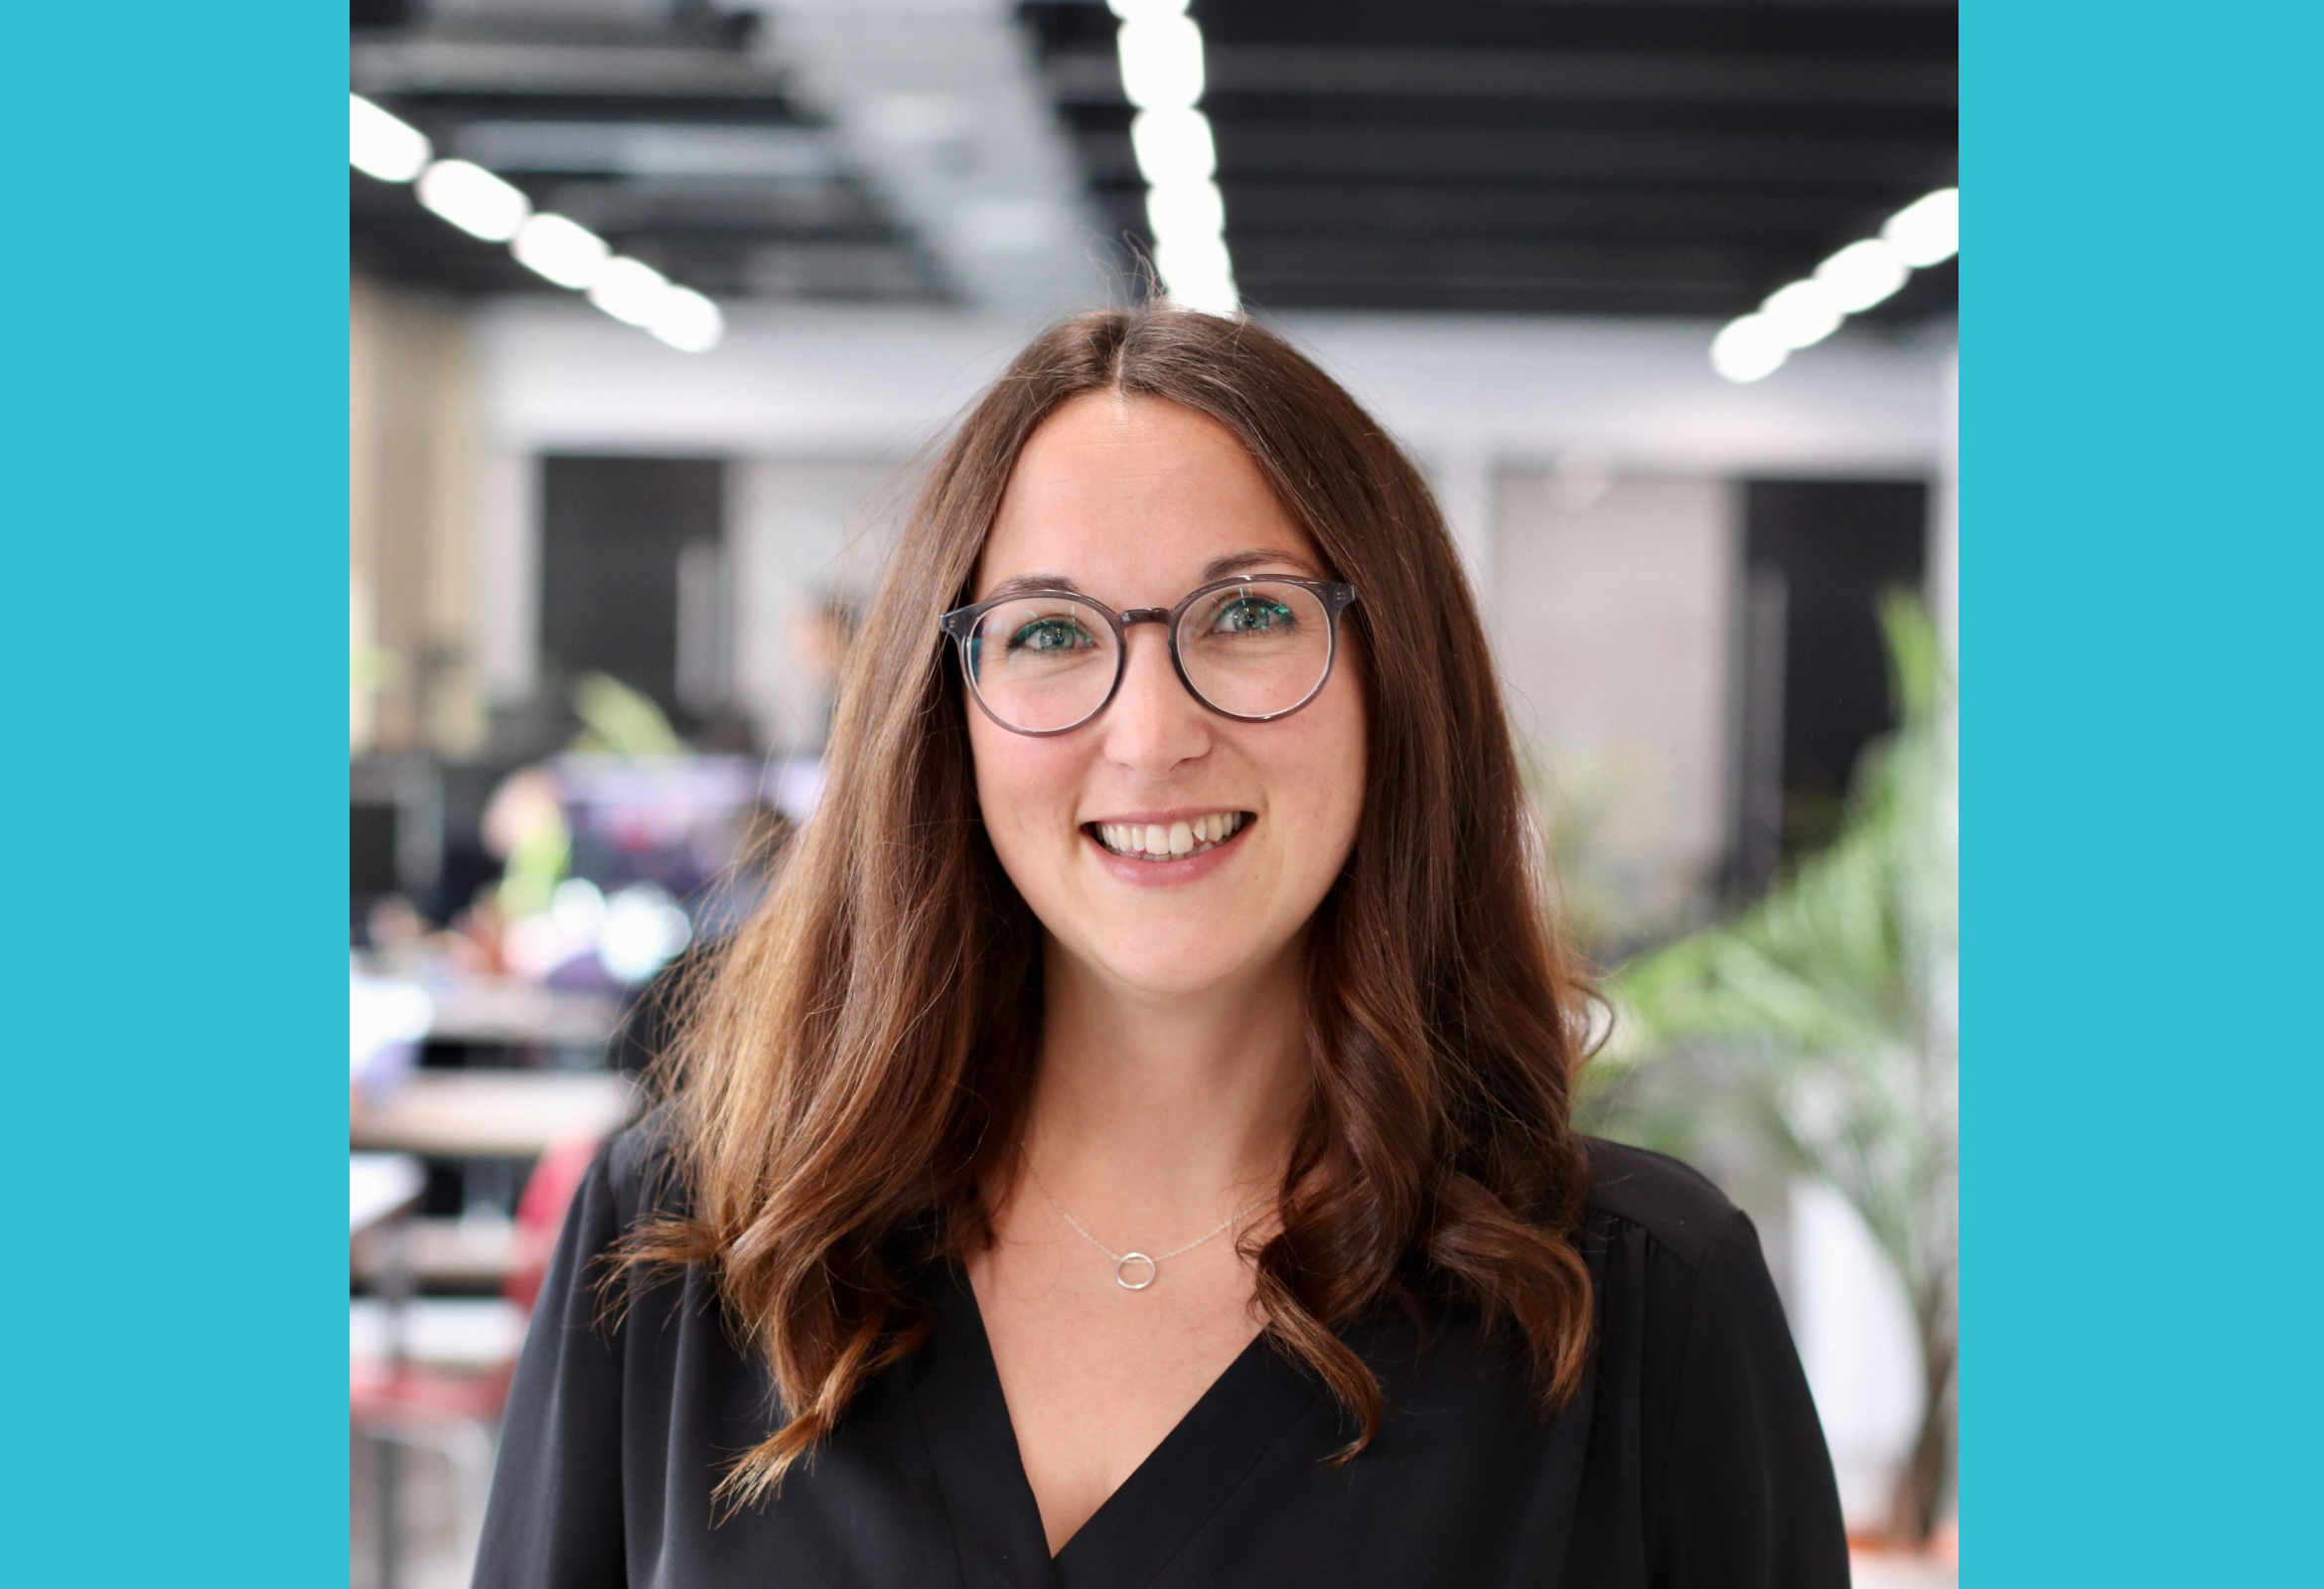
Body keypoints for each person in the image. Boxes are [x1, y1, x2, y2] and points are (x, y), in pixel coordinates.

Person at [473, 307, 1849, 1588]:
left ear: (1397, 674)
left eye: (1250, 615)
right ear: (940, 716)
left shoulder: (1641, 1304)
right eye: (1052, 633)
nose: (1149, 735)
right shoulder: (696, 1246)